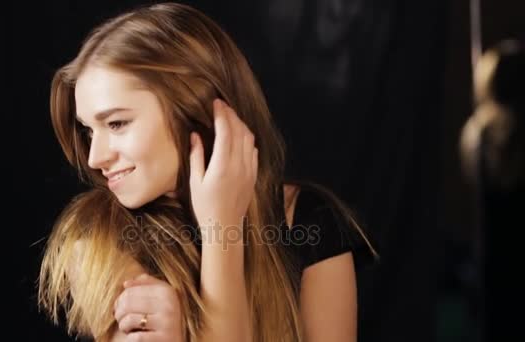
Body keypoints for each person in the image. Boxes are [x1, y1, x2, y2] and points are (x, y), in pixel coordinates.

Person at [37, 2, 377, 341]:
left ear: (194, 109)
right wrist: (222, 231)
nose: (95, 157)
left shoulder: (308, 221)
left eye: (116, 123)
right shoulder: (97, 240)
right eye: (88, 130)